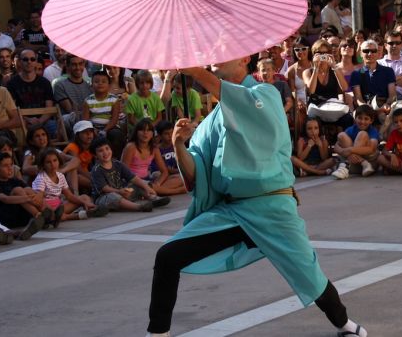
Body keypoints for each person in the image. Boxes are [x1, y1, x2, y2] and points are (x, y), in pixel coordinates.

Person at [144, 57, 368, 337]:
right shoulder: (211, 119)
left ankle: (344, 324)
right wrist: (178, 144)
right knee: (168, 256)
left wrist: (197, 73)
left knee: (307, 272)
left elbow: (245, 107)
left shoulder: (266, 94)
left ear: (245, 57)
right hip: (232, 211)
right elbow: (198, 174)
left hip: (271, 206)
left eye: (223, 53)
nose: (215, 59)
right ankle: (158, 333)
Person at [31, 147, 107, 222]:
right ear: (43, 165)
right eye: (48, 162)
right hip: (46, 208)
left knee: (84, 198)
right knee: (53, 214)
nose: (53, 164)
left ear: (59, 161)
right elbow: (39, 200)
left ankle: (90, 210)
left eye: (55, 160)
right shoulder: (41, 178)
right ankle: (74, 216)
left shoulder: (60, 175)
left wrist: (84, 203)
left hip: (59, 207)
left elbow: (69, 196)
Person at [0, 151, 47, 240]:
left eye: (11, 165)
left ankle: (46, 215)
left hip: (19, 216)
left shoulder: (14, 181)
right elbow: (5, 199)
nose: (10, 168)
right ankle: (39, 216)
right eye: (5, 166)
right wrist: (27, 198)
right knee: (18, 190)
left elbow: (32, 192)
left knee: (27, 190)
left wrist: (38, 195)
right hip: (4, 218)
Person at [90, 137, 161, 213]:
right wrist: (119, 191)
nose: (105, 152)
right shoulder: (96, 170)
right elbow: (105, 188)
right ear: (95, 155)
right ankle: (139, 207)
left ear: (111, 149)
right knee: (113, 197)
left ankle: (154, 199)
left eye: (107, 148)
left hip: (121, 193)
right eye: (100, 151)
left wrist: (147, 188)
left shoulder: (118, 164)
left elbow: (133, 178)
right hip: (104, 198)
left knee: (140, 183)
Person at [122, 118, 184, 198]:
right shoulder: (131, 147)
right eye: (142, 130)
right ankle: (176, 191)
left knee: (180, 178)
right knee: (144, 186)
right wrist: (142, 183)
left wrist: (158, 183)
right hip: (132, 182)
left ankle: (153, 191)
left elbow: (164, 172)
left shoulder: (154, 149)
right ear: (136, 132)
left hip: (148, 181)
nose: (145, 133)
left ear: (152, 133)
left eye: (148, 130)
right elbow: (124, 172)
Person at [6, 49, 56, 134]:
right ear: (20, 62)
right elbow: (12, 110)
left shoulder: (45, 82)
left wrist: (39, 122)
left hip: (44, 122)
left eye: (32, 59)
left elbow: (49, 109)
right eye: (25, 59)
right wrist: (28, 120)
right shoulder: (12, 83)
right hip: (22, 122)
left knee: (54, 126)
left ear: (36, 62)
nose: (29, 62)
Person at [350, 40, 396, 125]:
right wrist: (368, 109)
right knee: (357, 118)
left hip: (384, 105)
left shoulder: (388, 71)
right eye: (366, 51)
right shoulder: (356, 74)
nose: (370, 54)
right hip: (365, 107)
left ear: (378, 53)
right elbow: (358, 98)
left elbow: (392, 95)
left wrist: (386, 105)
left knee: (385, 118)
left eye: (373, 51)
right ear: (361, 53)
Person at [332, 104, 379, 179]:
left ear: (371, 121)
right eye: (359, 118)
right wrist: (343, 151)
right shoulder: (351, 129)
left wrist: (350, 150)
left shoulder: (373, 131)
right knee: (341, 135)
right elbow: (336, 146)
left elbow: (371, 149)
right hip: (363, 164)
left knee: (362, 134)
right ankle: (359, 162)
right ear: (355, 118)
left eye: (366, 119)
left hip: (370, 162)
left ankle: (346, 165)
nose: (362, 121)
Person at [53, 55, 93, 131]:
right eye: (74, 65)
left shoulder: (90, 86)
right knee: (70, 117)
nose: (78, 67)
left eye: (80, 64)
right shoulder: (60, 85)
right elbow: (70, 110)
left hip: (88, 119)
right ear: (67, 66)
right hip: (72, 123)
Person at [379, 30, 402, 99]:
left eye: (397, 43)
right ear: (385, 45)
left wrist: (387, 78)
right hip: (383, 97)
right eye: (391, 43)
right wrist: (400, 78)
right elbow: (377, 82)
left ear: (401, 45)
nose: (394, 45)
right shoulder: (378, 63)